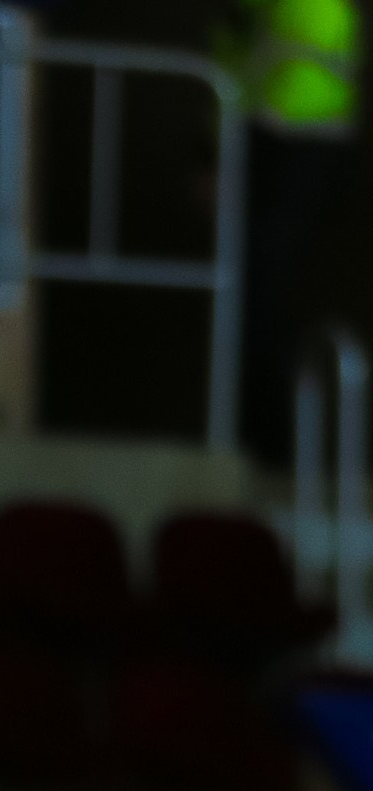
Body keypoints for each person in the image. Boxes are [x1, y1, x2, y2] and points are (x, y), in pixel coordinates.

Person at [215, 0, 362, 465]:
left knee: (269, 297)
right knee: (256, 297)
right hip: (272, 141)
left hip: (299, 144)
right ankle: (262, 441)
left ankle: (275, 445)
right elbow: (230, 56)